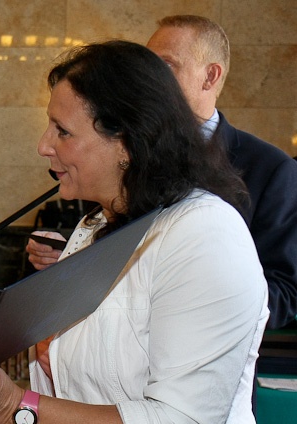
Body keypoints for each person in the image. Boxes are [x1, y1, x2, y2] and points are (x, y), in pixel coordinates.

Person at [0, 40, 271, 424]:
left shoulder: (205, 235)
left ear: (127, 142)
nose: (43, 146)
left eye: (63, 131)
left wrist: (15, 407)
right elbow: (74, 377)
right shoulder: (93, 227)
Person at [30, 15, 297, 331]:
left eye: (165, 66)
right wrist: (75, 260)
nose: (147, 79)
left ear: (210, 76)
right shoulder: (120, 155)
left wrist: (179, 290)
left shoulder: (271, 169)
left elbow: (284, 294)